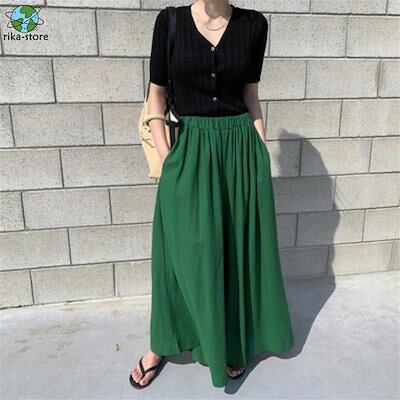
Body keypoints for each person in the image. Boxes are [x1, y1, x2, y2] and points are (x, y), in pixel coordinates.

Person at [130, 0, 295, 389]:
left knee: (234, 250)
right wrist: (169, 159)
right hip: (190, 149)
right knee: (179, 253)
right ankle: (162, 342)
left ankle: (230, 342)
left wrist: (259, 152)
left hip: (240, 149)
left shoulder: (254, 25)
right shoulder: (170, 21)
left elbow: (251, 96)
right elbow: (156, 95)